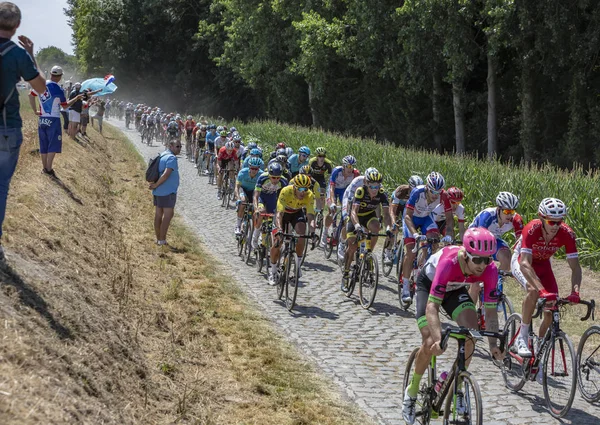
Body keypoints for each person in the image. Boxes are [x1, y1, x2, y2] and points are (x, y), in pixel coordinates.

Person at [402, 227, 502, 425]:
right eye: (478, 260)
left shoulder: (490, 270)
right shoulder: (449, 262)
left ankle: (455, 384)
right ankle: (411, 393)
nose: (482, 265)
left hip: (455, 288)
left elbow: (490, 313)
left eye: (487, 259)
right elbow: (432, 306)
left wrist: (493, 345)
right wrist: (439, 338)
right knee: (430, 340)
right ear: (465, 255)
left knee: (471, 334)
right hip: (430, 285)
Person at [0, 1, 47, 262]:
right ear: (17, 26)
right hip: (6, 127)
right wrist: (30, 55)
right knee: (0, 185)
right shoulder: (18, 54)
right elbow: (41, 88)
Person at [510, 198, 581, 369]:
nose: (556, 225)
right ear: (542, 219)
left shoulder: (567, 233)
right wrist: (541, 290)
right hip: (522, 261)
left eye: (559, 221)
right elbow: (525, 264)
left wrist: (575, 292)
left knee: (551, 308)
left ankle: (539, 349)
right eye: (551, 221)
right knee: (533, 291)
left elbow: (576, 268)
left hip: (544, 265)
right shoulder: (532, 228)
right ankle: (522, 336)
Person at [400, 172, 453, 307]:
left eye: (438, 191)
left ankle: (424, 267)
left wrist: (449, 235)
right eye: (433, 191)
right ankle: (405, 287)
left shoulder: (443, 195)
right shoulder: (418, 192)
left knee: (434, 241)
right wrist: (415, 234)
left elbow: (449, 219)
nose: (435, 194)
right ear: (427, 187)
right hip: (411, 219)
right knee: (411, 252)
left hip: (426, 219)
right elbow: (407, 216)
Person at [341, 169, 392, 290]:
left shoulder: (382, 193)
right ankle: (346, 273)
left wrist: (389, 227)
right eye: (371, 186)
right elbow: (354, 212)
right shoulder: (360, 191)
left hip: (369, 215)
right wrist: (357, 226)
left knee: (376, 228)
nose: (374, 189)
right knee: (352, 246)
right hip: (356, 217)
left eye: (377, 186)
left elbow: (386, 214)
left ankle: (368, 254)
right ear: (366, 183)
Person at [29, 66, 84, 177]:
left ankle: (44, 168)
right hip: (53, 119)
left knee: (43, 143)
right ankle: (49, 168)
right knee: (52, 144)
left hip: (42, 119)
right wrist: (76, 98)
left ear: (50, 74)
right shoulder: (59, 89)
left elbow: (31, 95)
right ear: (60, 77)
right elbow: (65, 106)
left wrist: (35, 110)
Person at [270, 174, 316, 285]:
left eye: (305, 189)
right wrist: (279, 230)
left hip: (296, 213)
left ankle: (297, 265)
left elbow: (310, 216)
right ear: (294, 187)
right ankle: (273, 271)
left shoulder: (309, 195)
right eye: (300, 189)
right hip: (283, 214)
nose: (303, 192)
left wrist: (313, 232)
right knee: (277, 242)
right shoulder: (286, 191)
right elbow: (279, 214)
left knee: (301, 235)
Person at [321, 155, 359, 248]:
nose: (350, 169)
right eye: (348, 166)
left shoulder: (355, 174)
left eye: (352, 166)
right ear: (344, 166)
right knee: (332, 210)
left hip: (344, 191)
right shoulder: (336, 171)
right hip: (334, 189)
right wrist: (333, 202)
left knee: (346, 212)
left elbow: (354, 190)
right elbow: (331, 189)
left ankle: (341, 235)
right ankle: (325, 232)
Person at [149, 139, 181, 247]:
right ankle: (162, 241)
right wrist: (157, 184)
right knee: (168, 215)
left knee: (158, 215)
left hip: (158, 191)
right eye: (177, 146)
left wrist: (155, 186)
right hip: (167, 191)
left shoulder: (162, 155)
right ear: (170, 146)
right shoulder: (171, 158)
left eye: (180, 146)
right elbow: (166, 175)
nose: (179, 148)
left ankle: (159, 239)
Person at [234, 157, 264, 235]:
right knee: (243, 201)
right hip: (243, 189)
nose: (254, 171)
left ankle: (254, 231)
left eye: (256, 169)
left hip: (254, 191)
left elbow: (262, 190)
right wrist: (237, 198)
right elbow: (237, 187)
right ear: (249, 167)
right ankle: (238, 225)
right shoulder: (243, 172)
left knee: (256, 209)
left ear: (259, 168)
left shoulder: (261, 175)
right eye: (252, 168)